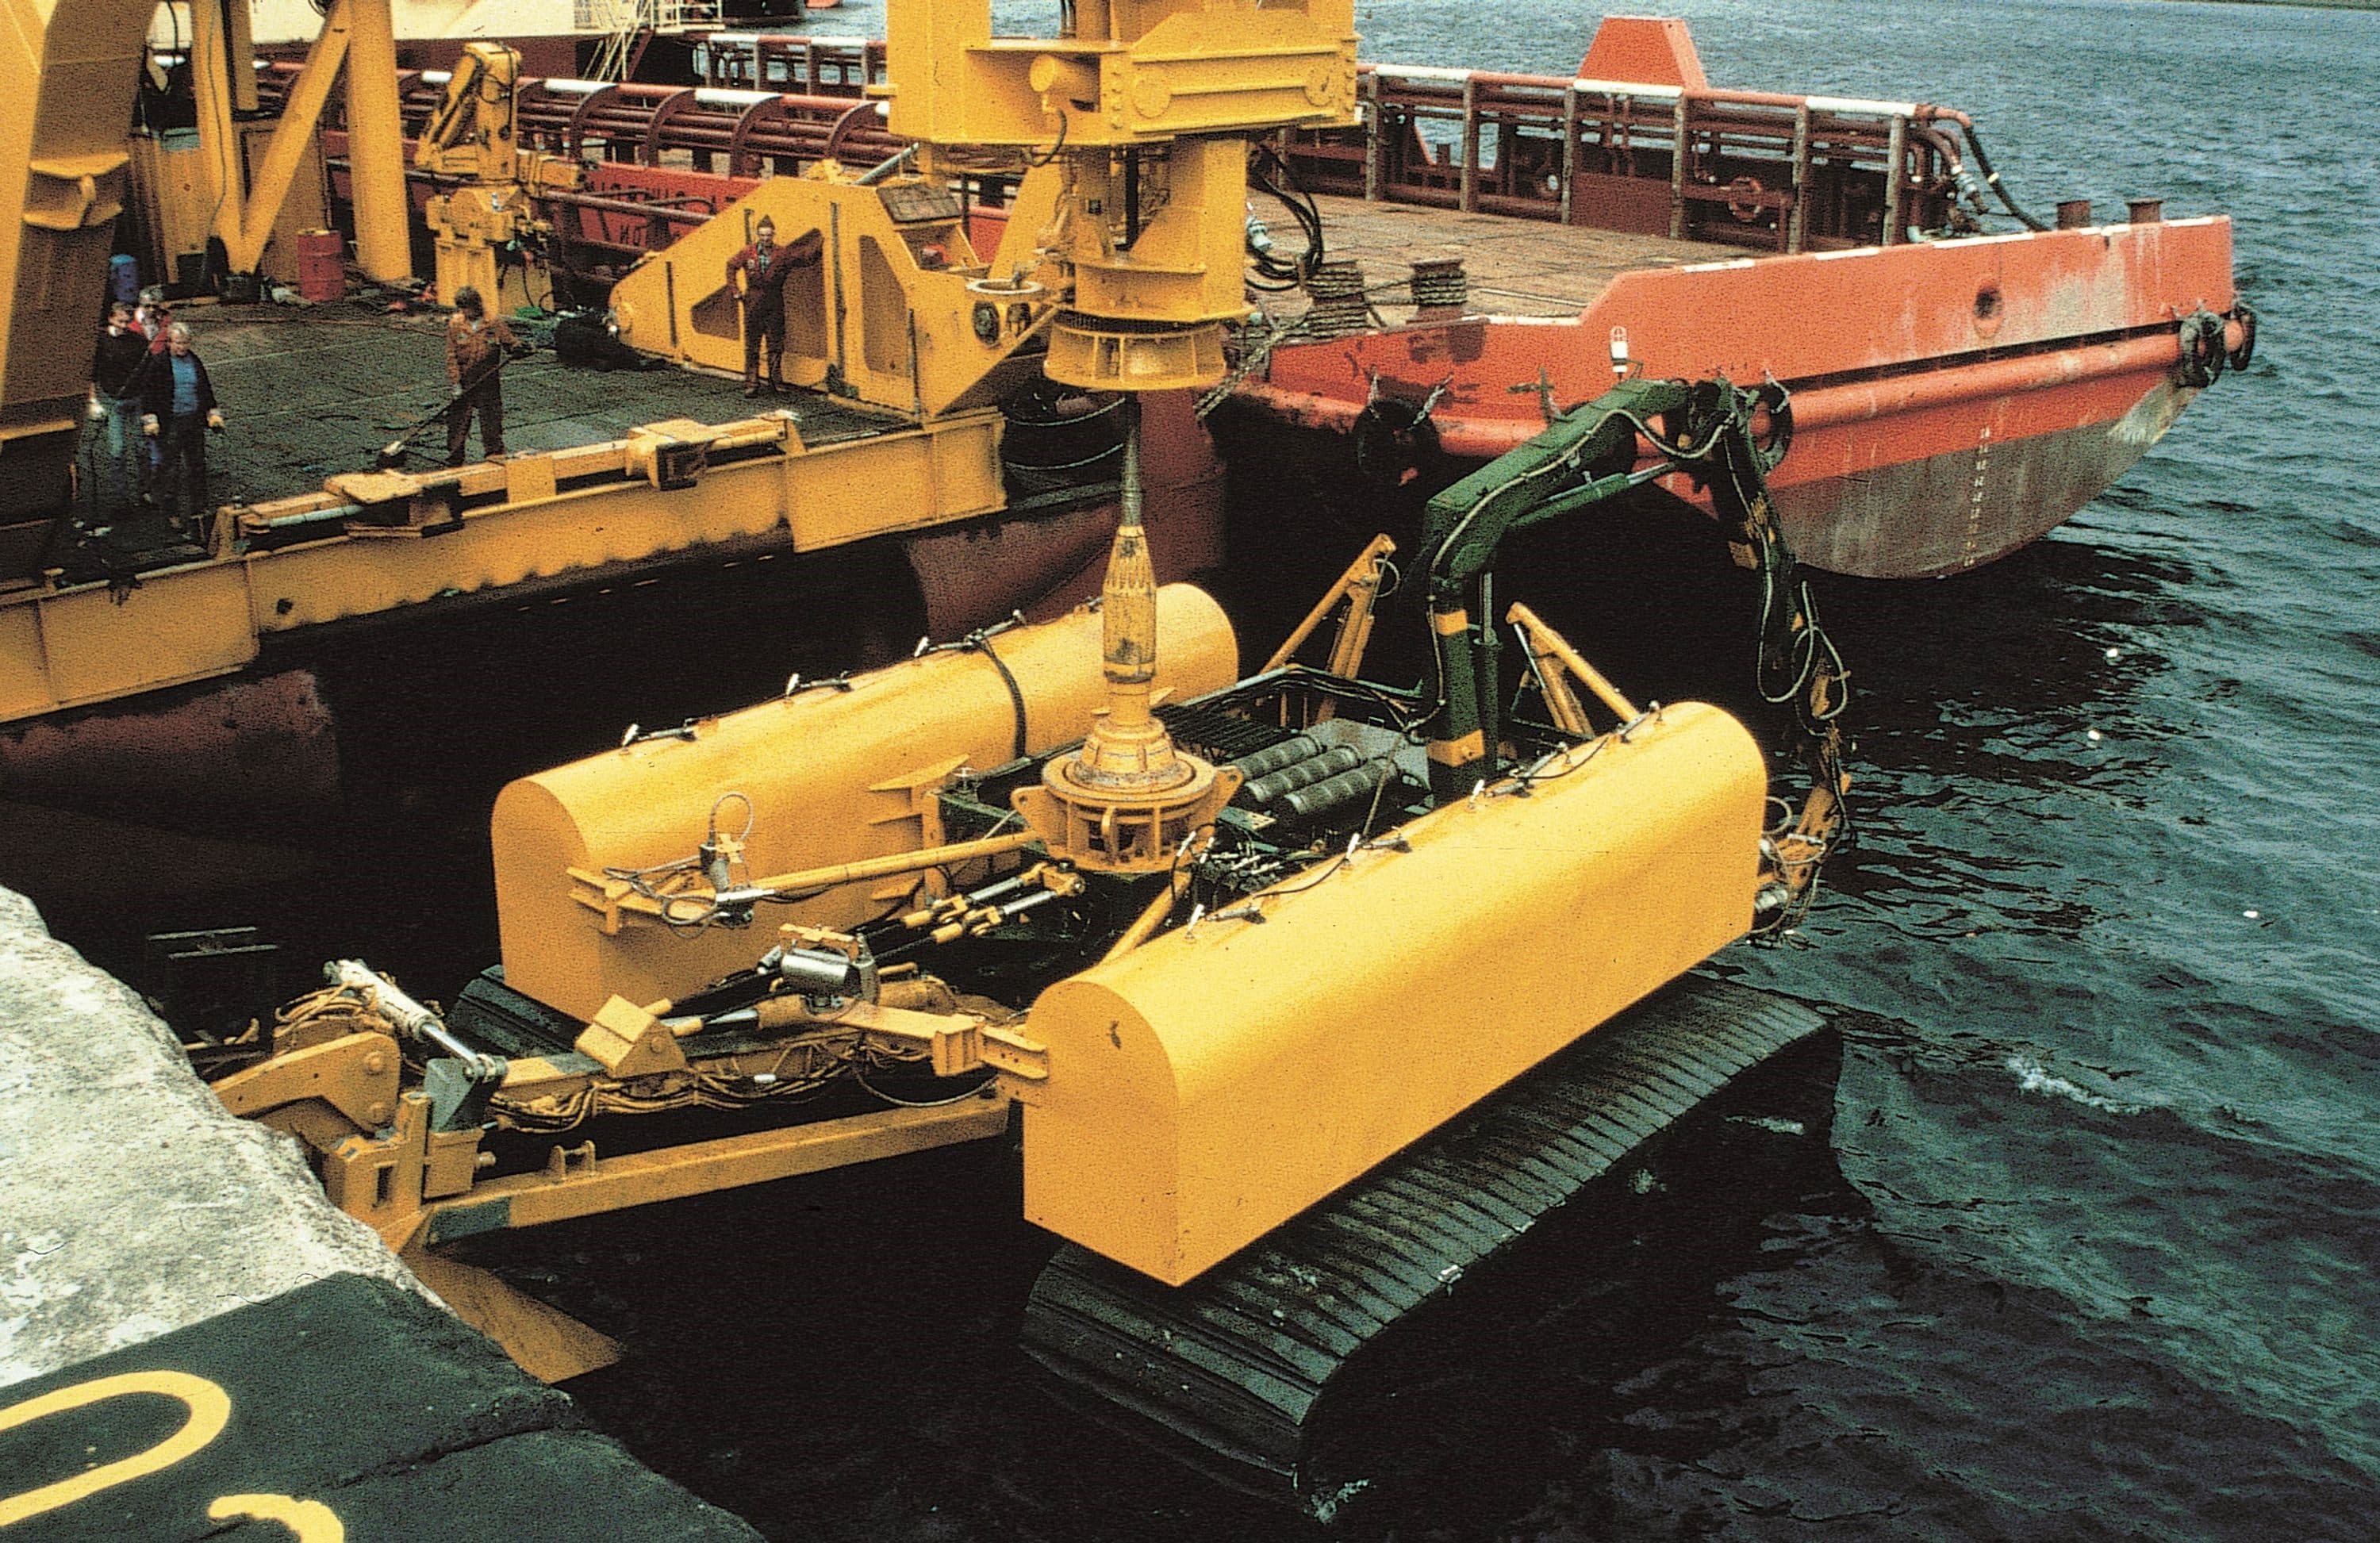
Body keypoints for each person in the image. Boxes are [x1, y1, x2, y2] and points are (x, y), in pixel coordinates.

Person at [136, 321, 224, 536]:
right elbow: (148, 394)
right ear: (169, 342)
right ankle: (171, 513)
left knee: (197, 467)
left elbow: (205, 389)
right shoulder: (159, 363)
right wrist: (151, 419)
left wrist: (212, 412)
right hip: (171, 423)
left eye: (185, 343)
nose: (182, 347)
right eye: (178, 343)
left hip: (193, 421)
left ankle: (199, 510)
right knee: (171, 470)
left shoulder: (194, 361)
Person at [723, 216, 814, 397]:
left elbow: (804, 258)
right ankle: (751, 383)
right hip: (753, 301)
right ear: (757, 235)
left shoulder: (782, 253)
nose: (765, 239)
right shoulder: (748, 252)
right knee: (752, 345)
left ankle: (776, 381)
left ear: (773, 235)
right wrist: (735, 291)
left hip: (774, 301)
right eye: (762, 235)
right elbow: (731, 266)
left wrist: (821, 242)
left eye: (768, 235)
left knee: (776, 343)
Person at [444, 286, 528, 466]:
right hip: (465, 377)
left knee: (491, 418)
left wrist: (519, 348)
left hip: (488, 377)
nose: (464, 312)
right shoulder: (456, 324)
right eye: (461, 308)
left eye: (467, 308)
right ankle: (455, 456)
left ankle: (494, 453)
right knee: (458, 420)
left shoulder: (494, 323)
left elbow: (510, 342)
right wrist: (456, 384)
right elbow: (451, 356)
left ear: (476, 305)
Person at [88, 302, 151, 516]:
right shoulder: (100, 342)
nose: (124, 326)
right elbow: (92, 374)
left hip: (136, 399)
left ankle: (144, 492)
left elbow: (148, 370)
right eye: (120, 321)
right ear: (111, 319)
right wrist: (94, 400)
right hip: (113, 401)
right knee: (118, 450)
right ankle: (120, 498)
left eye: (127, 322)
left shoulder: (138, 341)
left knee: (142, 448)